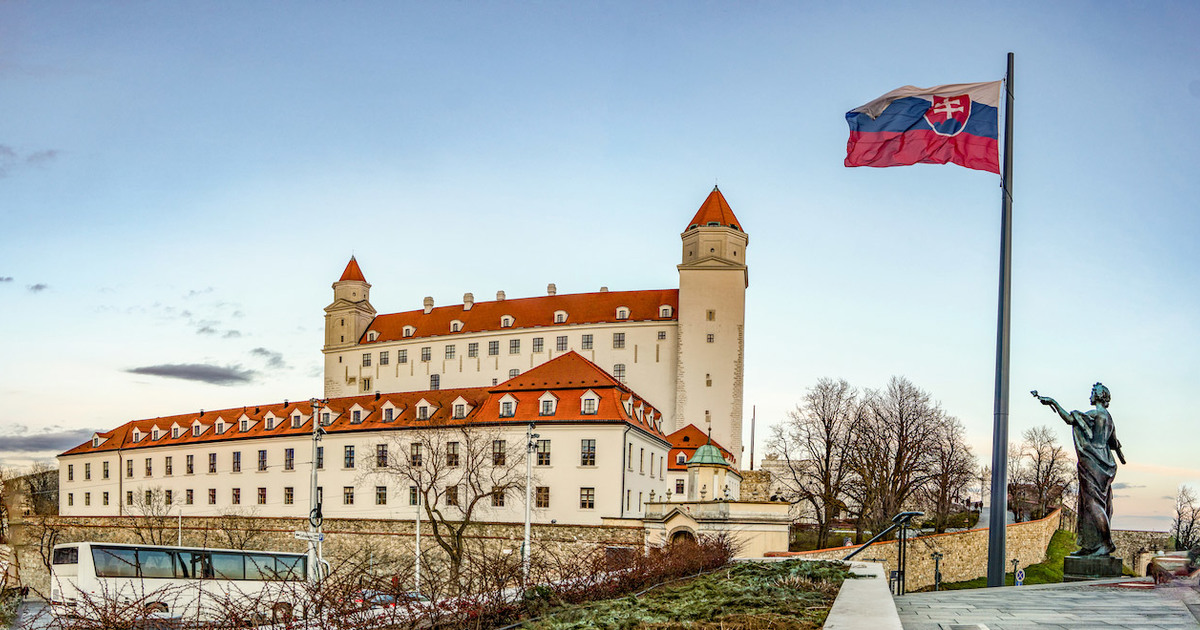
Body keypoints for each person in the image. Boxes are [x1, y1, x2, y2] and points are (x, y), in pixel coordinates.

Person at [1033, 383, 1121, 557]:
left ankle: (1106, 543)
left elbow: (1070, 419)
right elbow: (1113, 443)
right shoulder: (1109, 418)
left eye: (1093, 392)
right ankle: (1091, 545)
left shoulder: (1096, 413)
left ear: (1099, 395)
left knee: (1092, 503)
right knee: (1091, 503)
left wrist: (1053, 402)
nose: (1090, 395)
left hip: (1093, 460)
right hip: (1105, 462)